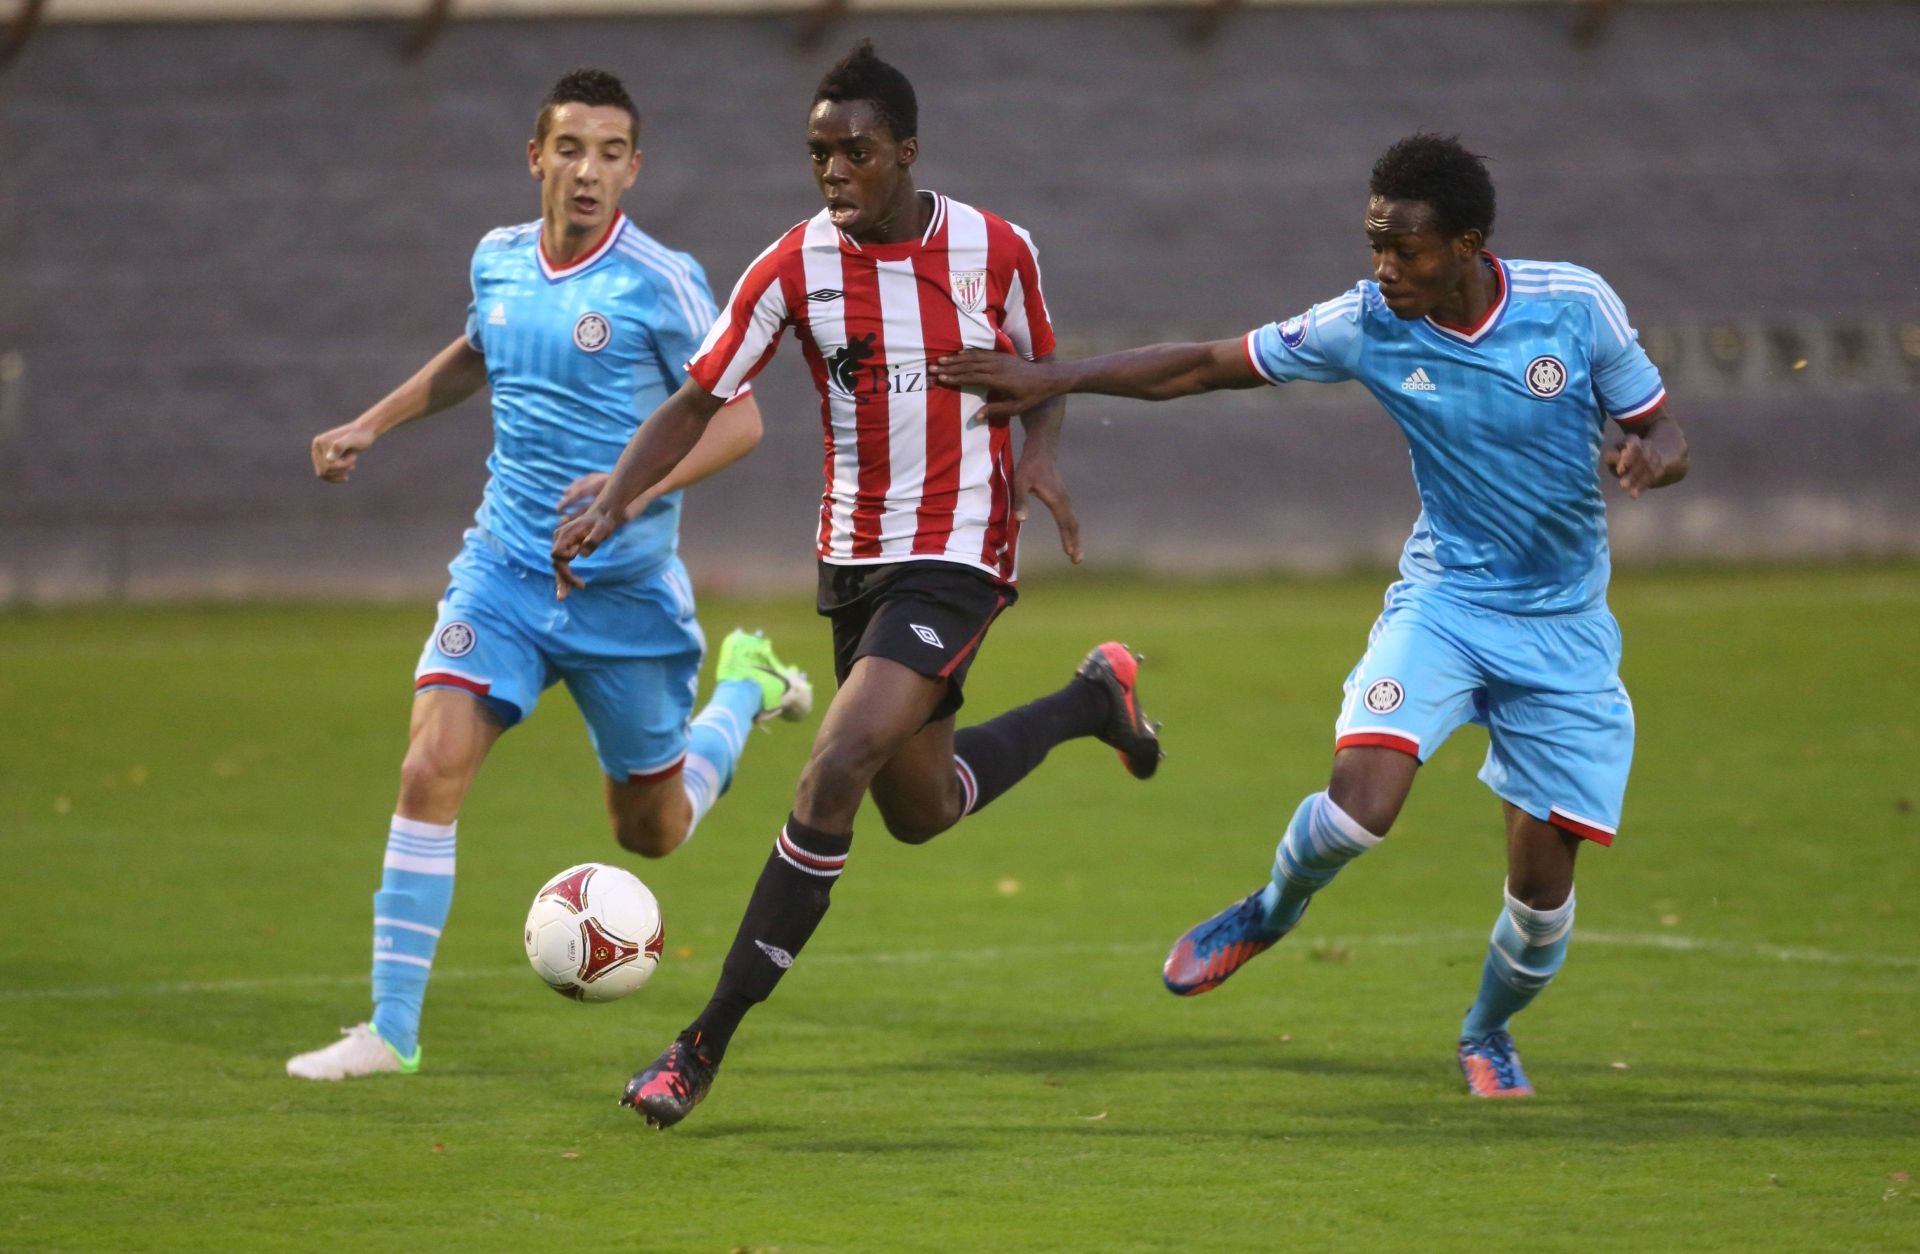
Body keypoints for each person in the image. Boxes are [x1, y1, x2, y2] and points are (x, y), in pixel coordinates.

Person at [934, 133, 1690, 1099]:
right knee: (1358, 805)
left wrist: (1651, 457)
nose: (1384, 266)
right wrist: (1058, 376)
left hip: (1564, 630)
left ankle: (1488, 1031)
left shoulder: (1573, 307)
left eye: (1405, 248)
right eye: (1375, 242)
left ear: (1467, 244)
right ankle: (1268, 911)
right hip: (1446, 604)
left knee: (1541, 901)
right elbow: (1206, 365)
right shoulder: (1367, 322)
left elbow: (1661, 428)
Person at [552, 41, 1163, 1128]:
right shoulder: (791, 267)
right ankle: (1089, 700)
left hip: (962, 554)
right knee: (918, 809)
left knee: (831, 766)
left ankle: (699, 1045)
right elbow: (700, 397)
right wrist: (619, 497)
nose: (834, 171)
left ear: (908, 153)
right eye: (820, 153)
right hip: (853, 561)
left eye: (857, 152)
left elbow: (1044, 369)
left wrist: (1040, 456)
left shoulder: (996, 248)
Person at [288, 68, 811, 1082]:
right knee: (427, 767)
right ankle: (391, 1032)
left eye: (611, 153)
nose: (588, 171)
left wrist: (629, 490)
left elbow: (740, 417)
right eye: (570, 149)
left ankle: (744, 687)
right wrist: (369, 423)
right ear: (537, 158)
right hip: (506, 574)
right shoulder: (498, 260)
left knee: (652, 832)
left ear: (634, 169)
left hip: (628, 601)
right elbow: (478, 353)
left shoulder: (660, 281)